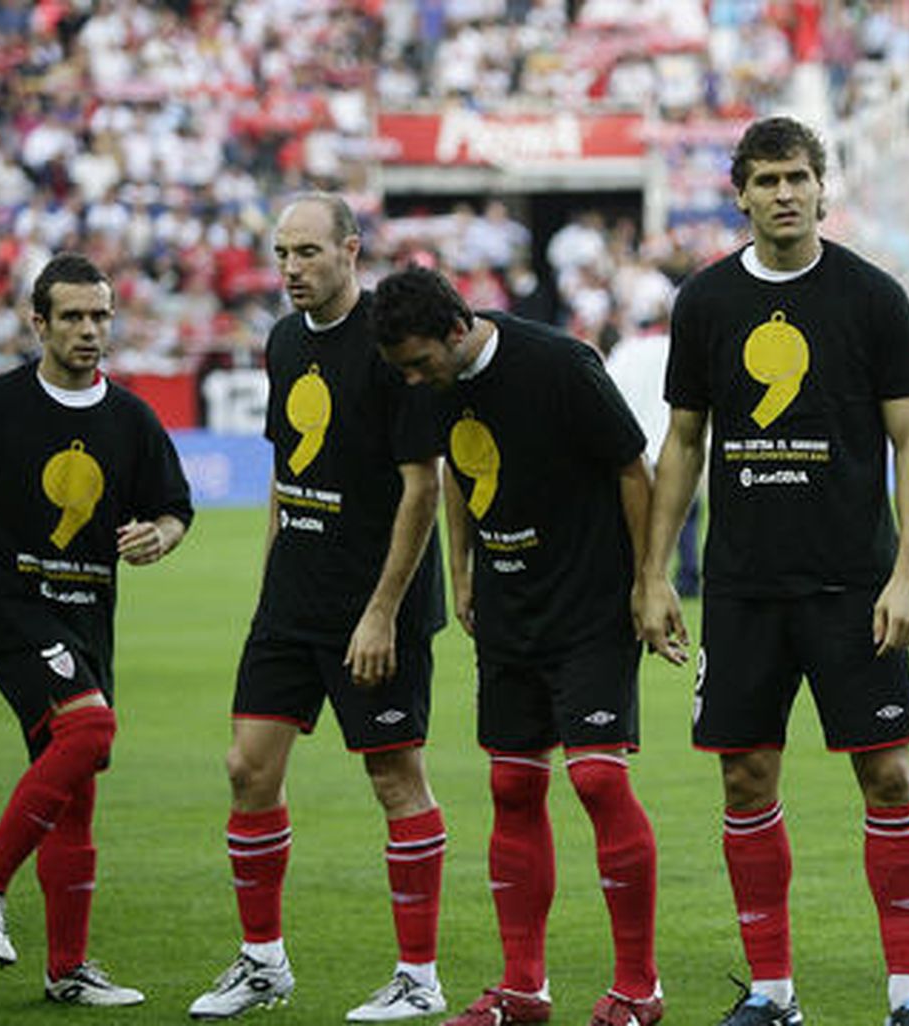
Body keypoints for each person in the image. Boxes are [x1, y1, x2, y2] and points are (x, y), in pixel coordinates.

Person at [637, 115, 909, 1026]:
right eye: (766, 180)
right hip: (741, 587)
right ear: (739, 193)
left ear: (823, 187)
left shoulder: (874, 297)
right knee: (745, 780)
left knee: (887, 775)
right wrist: (654, 574)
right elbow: (684, 441)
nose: (783, 194)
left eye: (797, 178)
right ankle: (772, 992)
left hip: (856, 583)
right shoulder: (705, 303)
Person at [372, 265, 665, 1026]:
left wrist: (649, 582)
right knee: (511, 787)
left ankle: (640, 986)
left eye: (418, 361)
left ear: (456, 330)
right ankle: (524, 988)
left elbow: (635, 470)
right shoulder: (432, 387)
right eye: (401, 368)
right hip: (509, 607)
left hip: (590, 601)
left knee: (598, 781)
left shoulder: (559, 364)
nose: (412, 378)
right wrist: (462, 571)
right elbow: (463, 474)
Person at [187, 194, 450, 1023]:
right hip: (293, 600)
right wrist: (272, 577)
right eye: (281, 254)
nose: (292, 269)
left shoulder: (391, 344)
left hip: (373, 603)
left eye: (307, 252)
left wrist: (380, 612)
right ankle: (262, 962)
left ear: (350, 249)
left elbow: (422, 488)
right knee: (247, 768)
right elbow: (282, 468)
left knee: (393, 777)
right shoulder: (283, 339)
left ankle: (419, 976)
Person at [0, 252, 193, 1005]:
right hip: (5, 609)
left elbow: (174, 507)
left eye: (99, 315)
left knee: (75, 787)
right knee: (91, 734)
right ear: (37, 323)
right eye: (71, 316)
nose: (89, 330)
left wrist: (161, 535)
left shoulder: (130, 417)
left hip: (85, 614)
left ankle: (67, 970)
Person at [605, 305, 702, 598]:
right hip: (676, 442)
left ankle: (636, 578)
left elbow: (610, 390)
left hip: (637, 448)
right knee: (685, 517)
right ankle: (687, 577)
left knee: (632, 522)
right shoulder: (678, 347)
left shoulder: (626, 351)